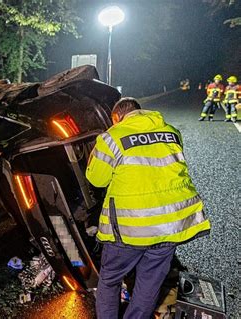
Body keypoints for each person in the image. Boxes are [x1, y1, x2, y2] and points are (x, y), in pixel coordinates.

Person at [86, 98, 211, 319]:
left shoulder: (111, 137)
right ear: (139, 112)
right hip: (169, 226)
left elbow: (96, 179)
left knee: (110, 279)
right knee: (149, 283)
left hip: (129, 230)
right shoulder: (171, 132)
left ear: (116, 117)